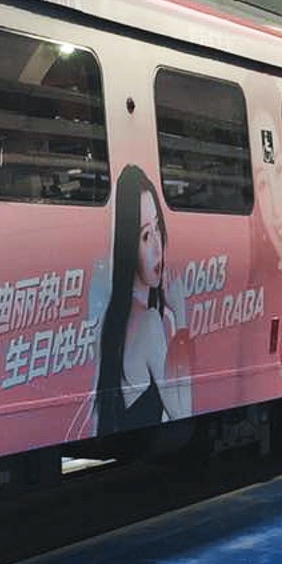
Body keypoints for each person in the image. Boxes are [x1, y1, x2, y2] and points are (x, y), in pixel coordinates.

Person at [91, 165, 193, 435]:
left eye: (158, 227)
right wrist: (181, 317)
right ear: (128, 246)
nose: (158, 247)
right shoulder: (148, 323)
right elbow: (183, 413)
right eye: (146, 235)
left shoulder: (112, 322)